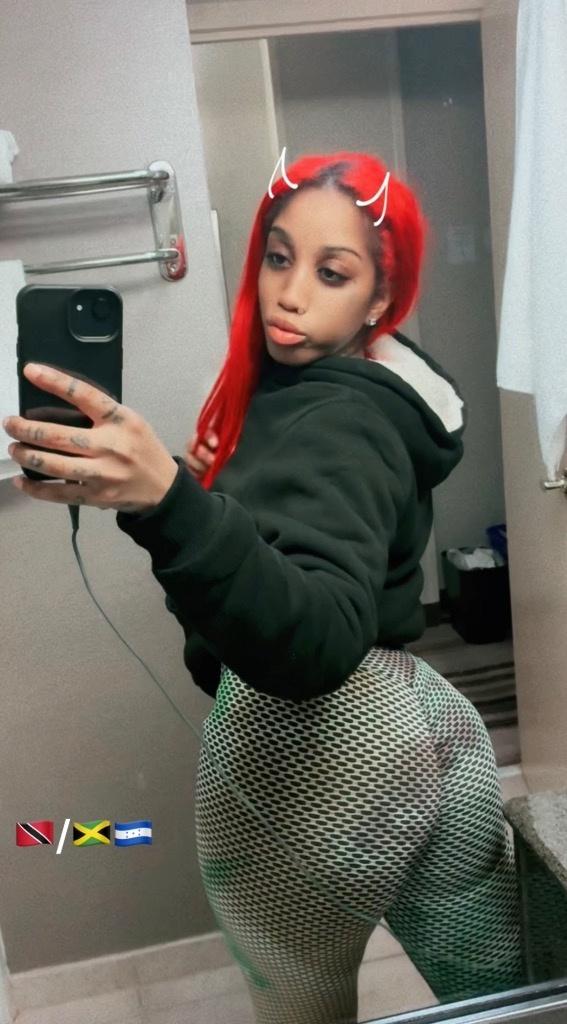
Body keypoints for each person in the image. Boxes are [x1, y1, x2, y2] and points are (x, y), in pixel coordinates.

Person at [115, 151, 526, 1022]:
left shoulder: (335, 416)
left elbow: (314, 641)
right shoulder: (351, 397)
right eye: (278, 257)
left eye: (331, 273)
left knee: (302, 1007)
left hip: (317, 744)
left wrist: (172, 508)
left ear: (379, 299)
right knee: (498, 992)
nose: (290, 294)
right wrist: (212, 501)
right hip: (423, 716)